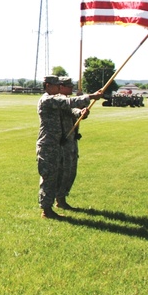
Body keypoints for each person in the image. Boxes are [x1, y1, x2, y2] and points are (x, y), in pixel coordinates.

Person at [37, 74, 101, 218]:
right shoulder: (47, 100)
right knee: (49, 177)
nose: (59, 88)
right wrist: (91, 96)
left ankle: (59, 201)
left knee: (62, 174)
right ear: (47, 86)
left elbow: (70, 110)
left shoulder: (58, 100)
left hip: (60, 144)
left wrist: (81, 112)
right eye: (56, 85)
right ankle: (46, 210)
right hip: (49, 146)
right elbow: (67, 102)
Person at [57, 76, 88, 209]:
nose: (72, 88)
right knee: (61, 171)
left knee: (70, 171)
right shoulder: (57, 99)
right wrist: (85, 99)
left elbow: (73, 111)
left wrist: (81, 111)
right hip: (60, 141)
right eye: (69, 86)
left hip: (71, 139)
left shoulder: (68, 101)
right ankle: (57, 200)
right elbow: (68, 106)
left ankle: (62, 198)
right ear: (61, 86)